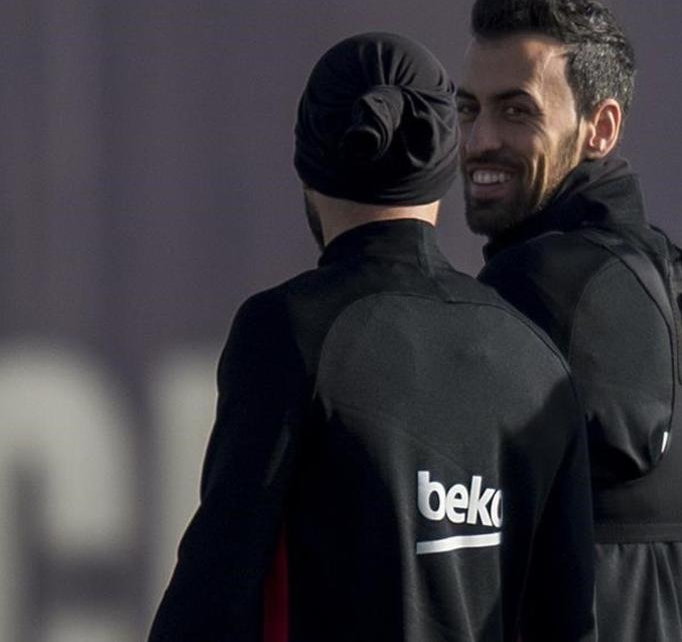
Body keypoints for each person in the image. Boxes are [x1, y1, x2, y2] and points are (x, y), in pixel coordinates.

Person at [149, 32, 595, 642]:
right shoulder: (535, 357)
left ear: (308, 165)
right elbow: (567, 617)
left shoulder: (290, 330)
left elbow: (216, 590)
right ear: (444, 165)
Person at [456, 0, 682, 642]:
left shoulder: (531, 282)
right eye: (468, 108)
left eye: (516, 112)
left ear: (602, 127)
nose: (478, 140)